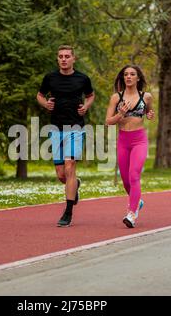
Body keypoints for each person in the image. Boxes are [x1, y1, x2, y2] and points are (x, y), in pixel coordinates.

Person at [36, 45, 95, 227]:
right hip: (56, 128)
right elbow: (39, 95)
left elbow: (91, 95)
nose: (64, 59)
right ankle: (75, 184)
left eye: (67, 56)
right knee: (62, 175)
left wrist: (86, 106)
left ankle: (68, 211)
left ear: (73, 59)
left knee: (70, 166)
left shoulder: (82, 78)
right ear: (57, 59)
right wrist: (46, 104)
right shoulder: (50, 78)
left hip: (76, 128)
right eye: (61, 56)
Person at [105, 65, 155, 228]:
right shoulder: (116, 98)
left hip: (139, 140)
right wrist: (120, 114)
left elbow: (149, 112)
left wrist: (150, 114)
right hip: (123, 141)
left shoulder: (146, 97)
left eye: (132, 74)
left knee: (134, 175)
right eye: (126, 74)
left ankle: (132, 213)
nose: (129, 77)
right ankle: (137, 201)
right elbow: (108, 122)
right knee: (126, 180)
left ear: (138, 78)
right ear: (123, 78)